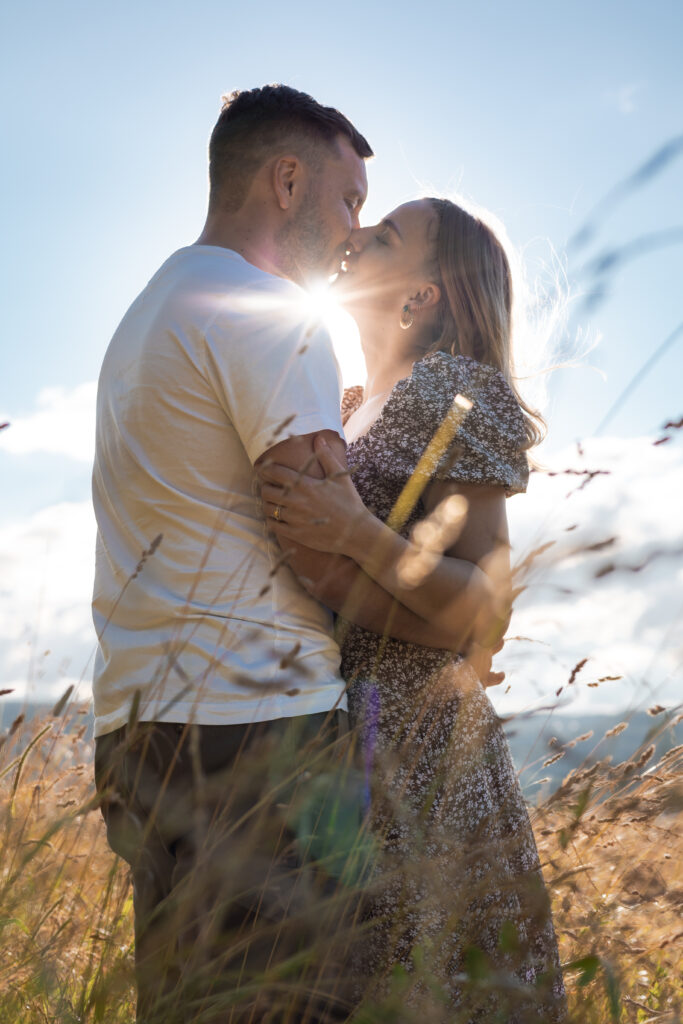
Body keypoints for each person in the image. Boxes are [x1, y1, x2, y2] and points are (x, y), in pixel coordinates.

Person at [91, 87, 501, 1024]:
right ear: (286, 181)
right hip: (259, 736)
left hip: (141, 728)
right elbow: (322, 559)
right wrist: (458, 634)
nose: (354, 229)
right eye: (351, 200)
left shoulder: (154, 308)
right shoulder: (271, 317)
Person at [258, 197, 568, 1020]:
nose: (354, 236)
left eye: (385, 236)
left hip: (423, 750)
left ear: (422, 295)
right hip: (343, 740)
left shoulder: (452, 388)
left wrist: (357, 534)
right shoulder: (352, 395)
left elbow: (485, 606)